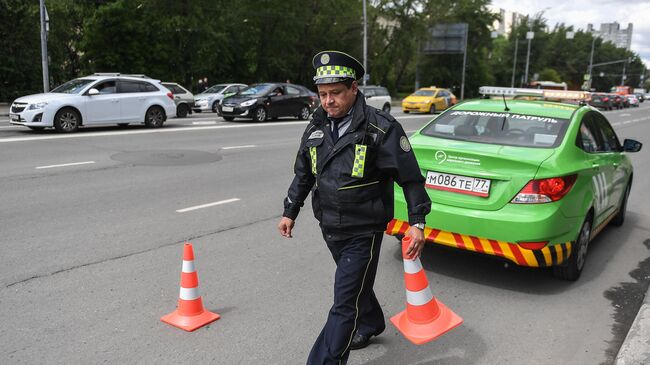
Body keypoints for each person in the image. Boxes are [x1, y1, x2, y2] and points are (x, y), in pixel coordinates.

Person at [278, 50, 431, 365]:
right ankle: (372, 322)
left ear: (354, 89)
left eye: (336, 93)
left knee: (344, 302)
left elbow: (411, 177)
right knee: (356, 282)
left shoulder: (380, 128)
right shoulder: (317, 126)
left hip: (365, 229)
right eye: (323, 94)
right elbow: (304, 173)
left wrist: (418, 222)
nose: (328, 101)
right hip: (330, 226)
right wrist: (290, 211)